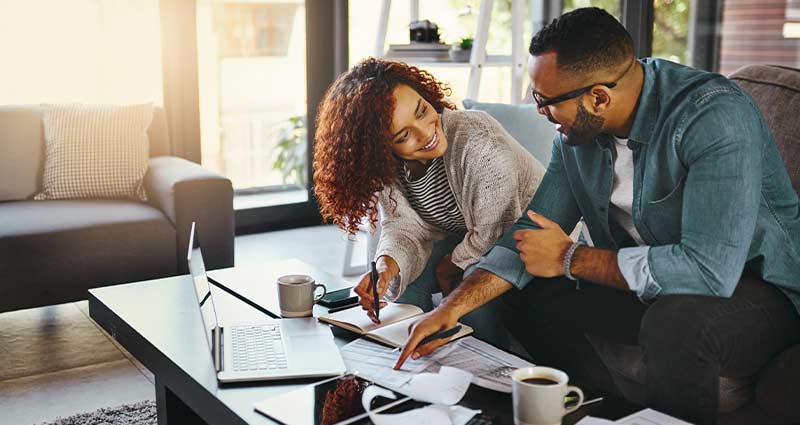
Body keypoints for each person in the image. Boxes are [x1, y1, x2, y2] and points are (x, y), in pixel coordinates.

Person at [395, 7, 800, 424]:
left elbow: (710, 272)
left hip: (755, 290)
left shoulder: (713, 117)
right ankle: (595, 409)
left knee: (674, 324)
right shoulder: (576, 138)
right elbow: (530, 232)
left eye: (545, 101)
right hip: (650, 285)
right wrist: (450, 308)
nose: (539, 112)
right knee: (525, 291)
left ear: (599, 97)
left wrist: (570, 258)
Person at [313, 58, 545, 348]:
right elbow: (405, 226)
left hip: (521, 236)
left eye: (422, 111)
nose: (426, 133)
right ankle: (410, 359)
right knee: (404, 288)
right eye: (404, 135)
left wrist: (449, 267)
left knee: (471, 281)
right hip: (469, 233)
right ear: (382, 149)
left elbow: (495, 231)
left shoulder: (480, 145)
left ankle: (493, 366)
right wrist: (386, 268)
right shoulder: (389, 167)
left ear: (426, 95)